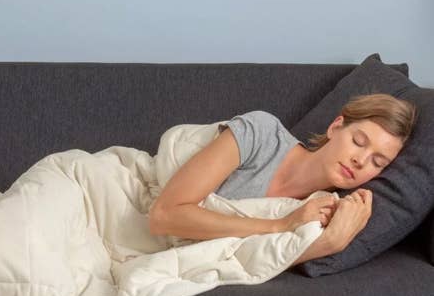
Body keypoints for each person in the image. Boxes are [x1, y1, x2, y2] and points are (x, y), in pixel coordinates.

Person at [148, 93, 417, 266]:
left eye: (377, 162)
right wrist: (281, 225)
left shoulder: (321, 210)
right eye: (359, 141)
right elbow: (164, 214)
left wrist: (331, 243)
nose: (361, 160)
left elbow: (258, 263)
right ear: (336, 127)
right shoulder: (262, 133)